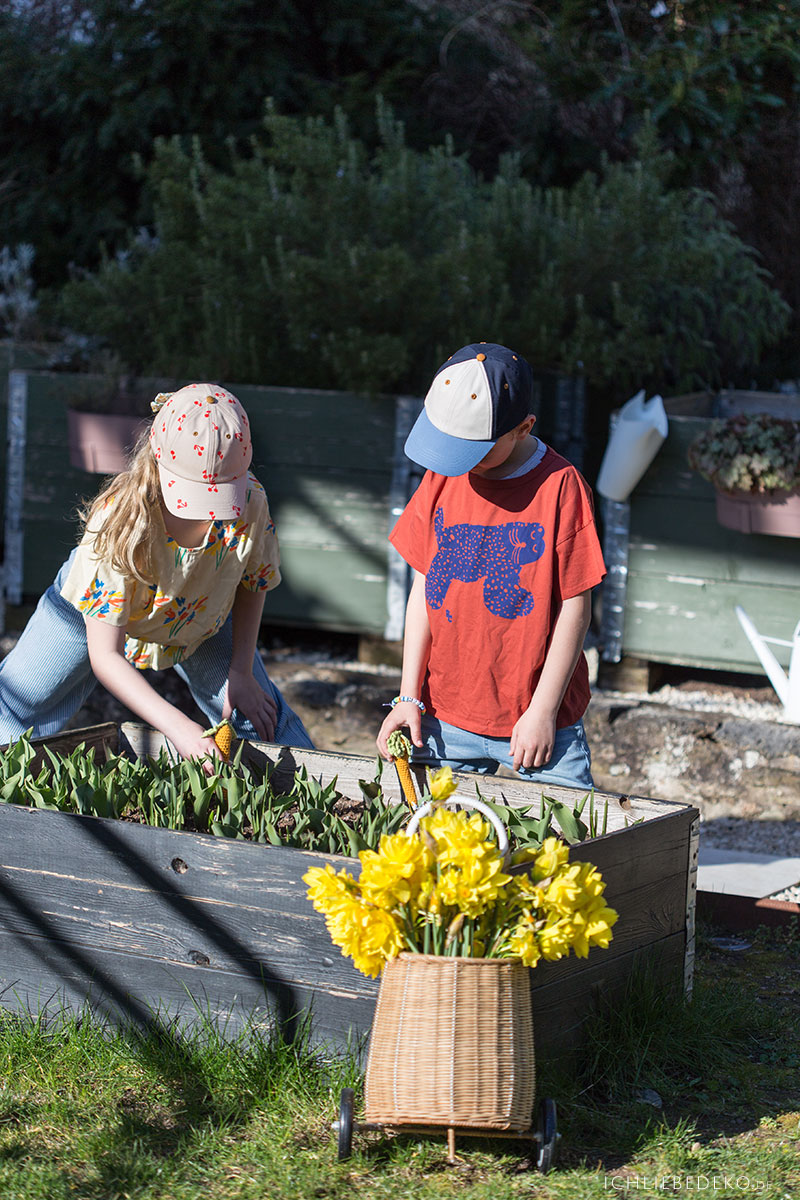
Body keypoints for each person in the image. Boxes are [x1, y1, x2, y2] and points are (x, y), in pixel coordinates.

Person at [0, 382, 313, 760]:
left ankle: (319, 803)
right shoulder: (121, 520)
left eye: (220, 497)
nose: (209, 512)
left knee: (260, 717)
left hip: (200, 612)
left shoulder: (251, 500)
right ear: (158, 457)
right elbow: (107, 657)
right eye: (196, 496)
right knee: (13, 708)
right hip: (92, 612)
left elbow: (254, 580)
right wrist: (178, 725)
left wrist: (242, 672)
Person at [377, 342, 606, 789]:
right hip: (444, 715)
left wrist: (542, 711)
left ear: (523, 428)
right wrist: (408, 697)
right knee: (435, 845)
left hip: (539, 725)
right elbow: (425, 587)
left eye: (472, 450)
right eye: (448, 446)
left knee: (572, 841)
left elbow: (576, 610)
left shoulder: (562, 488)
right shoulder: (443, 472)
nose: (456, 461)